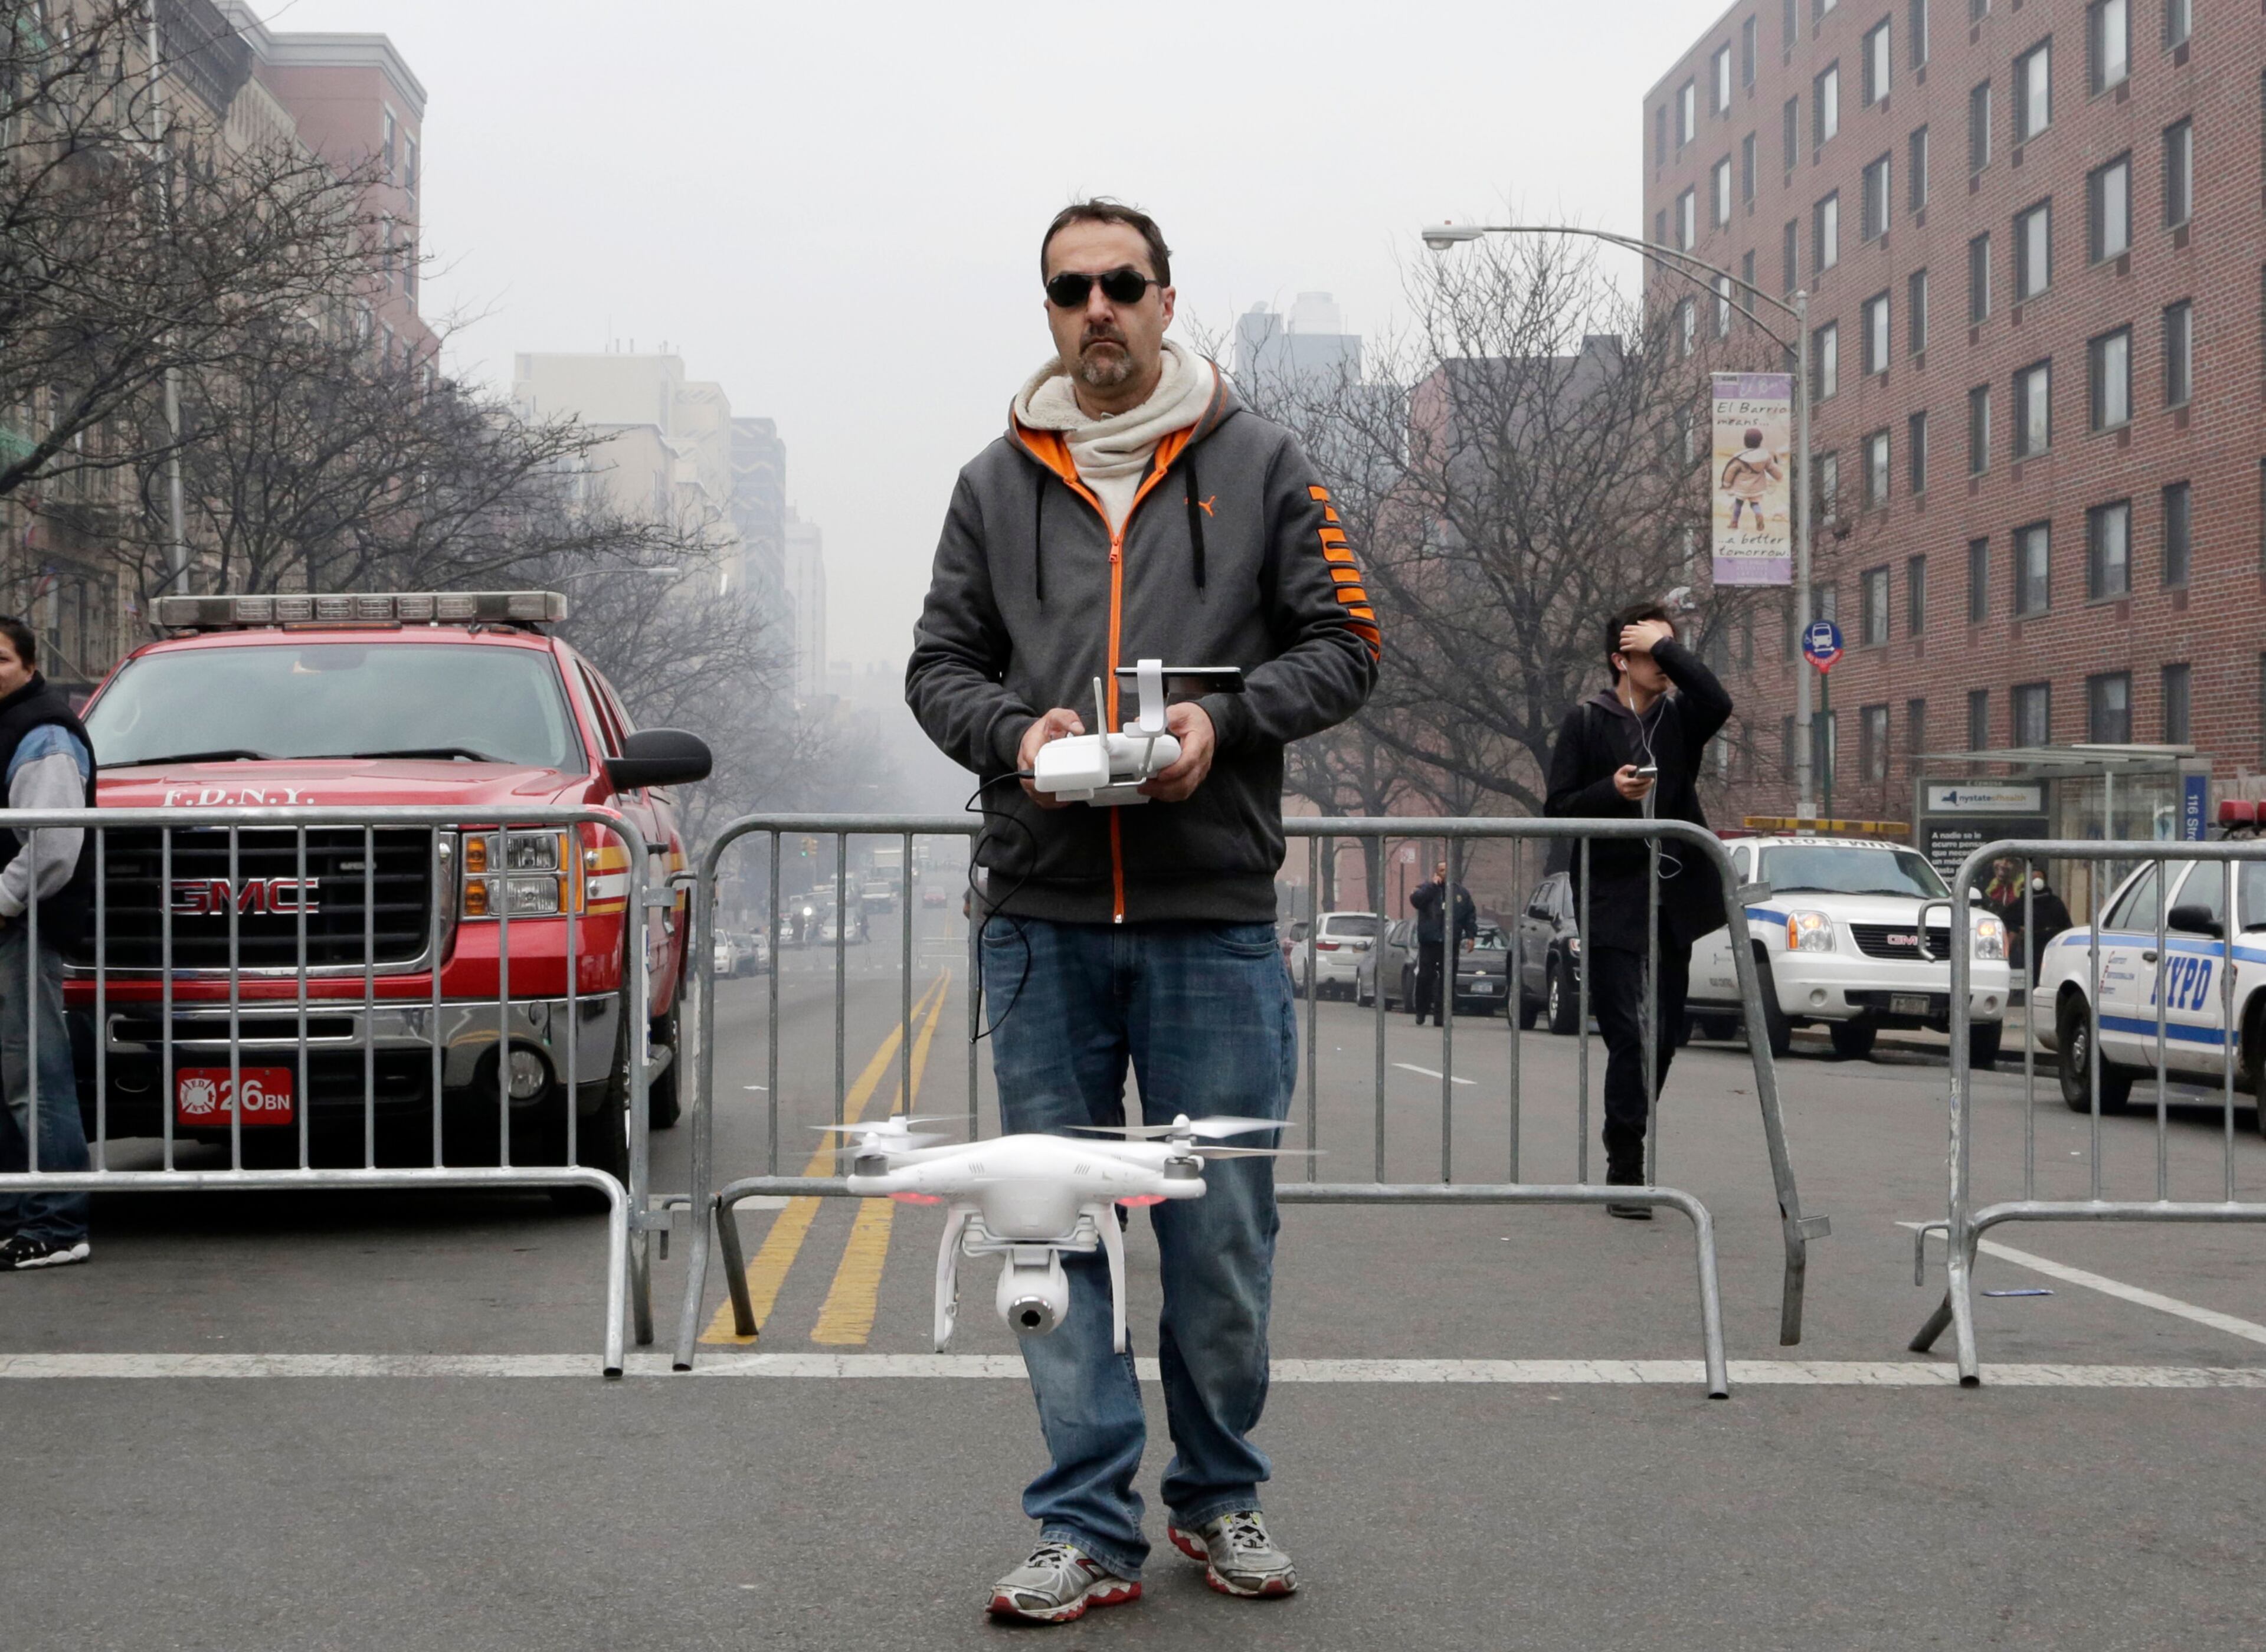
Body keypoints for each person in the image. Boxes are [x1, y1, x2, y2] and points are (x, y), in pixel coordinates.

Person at [906, 199, 1378, 1623]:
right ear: (1046, 312)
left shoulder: (1264, 465)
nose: (1096, 308)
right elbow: (937, 668)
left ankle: (1221, 1497)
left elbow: (1345, 647)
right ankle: (1083, 1525)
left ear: (1167, 301)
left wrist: (1213, 727)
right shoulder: (992, 484)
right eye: (1070, 290)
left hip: (1208, 918)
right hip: (1041, 917)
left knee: (1217, 1235)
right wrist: (1015, 735)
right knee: (1052, 1237)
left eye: (1121, 284)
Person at [1543, 601, 1731, 1219]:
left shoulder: (1681, 721)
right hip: (1609, 897)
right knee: (1629, 1032)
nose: (1664, 664)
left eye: (1668, 649)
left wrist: (1669, 645)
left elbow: (1719, 700)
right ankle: (1626, 1160)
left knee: (1666, 1036)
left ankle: (1629, 1134)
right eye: (1651, 652)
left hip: (1671, 898)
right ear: (1620, 660)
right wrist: (1611, 792)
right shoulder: (1586, 722)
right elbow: (1558, 809)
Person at [0, 617, 97, 1270]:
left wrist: (1, 901)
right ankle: (19, 1214)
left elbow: (54, 845)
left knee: (35, 1077)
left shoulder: (44, 731)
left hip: (20, 927)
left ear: (30, 664)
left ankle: (57, 1221)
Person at [1407, 859, 1476, 1026]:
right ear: (1437, 873)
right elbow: (1416, 901)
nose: (1445, 873)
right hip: (1430, 941)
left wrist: (1471, 936)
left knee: (1447, 980)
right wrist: (1432, 886)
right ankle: (1422, 1011)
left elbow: (1469, 915)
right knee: (1425, 977)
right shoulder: (1427, 889)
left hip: (1450, 942)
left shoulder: (1461, 893)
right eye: (1442, 870)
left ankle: (1441, 1016)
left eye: (1447, 870)